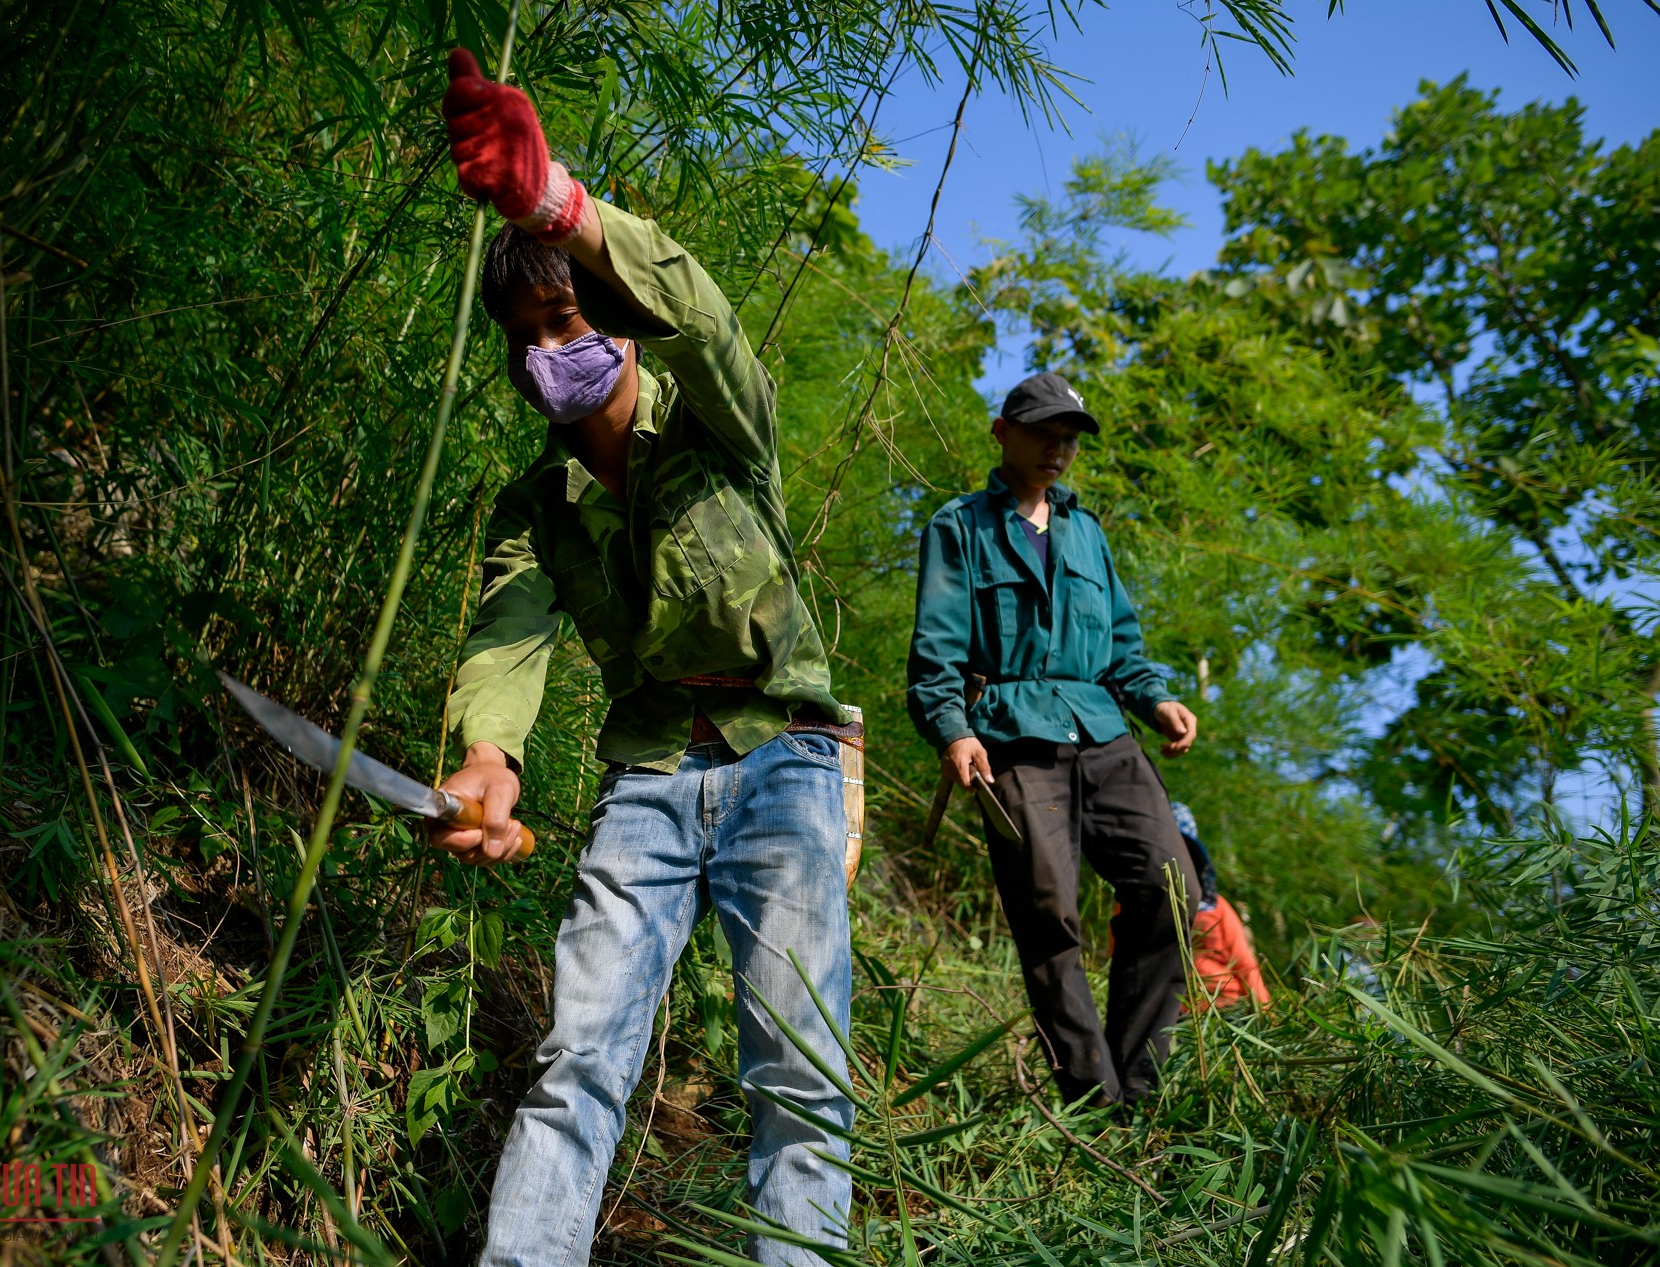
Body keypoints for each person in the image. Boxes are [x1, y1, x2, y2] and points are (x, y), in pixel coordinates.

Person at [428, 48, 859, 1267]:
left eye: (560, 322)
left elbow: (712, 323)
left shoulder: (721, 425)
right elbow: (509, 637)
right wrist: (488, 756)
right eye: (520, 339)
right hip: (649, 777)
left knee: (798, 1070)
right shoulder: (538, 504)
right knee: (579, 1058)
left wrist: (555, 207)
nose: (540, 358)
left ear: (614, 322)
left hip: (788, 759)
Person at [905, 372, 1201, 1108]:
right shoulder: (960, 526)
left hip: (1103, 729)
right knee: (1049, 914)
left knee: (1173, 887)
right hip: (1012, 737)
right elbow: (935, 649)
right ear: (1003, 432)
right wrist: (952, 729)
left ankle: (1139, 1088)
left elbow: (1122, 640)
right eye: (1044, 433)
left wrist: (1156, 696)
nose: (1058, 450)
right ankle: (1093, 1103)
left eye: (1068, 438)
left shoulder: (1086, 531)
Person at [1170, 802, 1271, 1011]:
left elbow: (1244, 963)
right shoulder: (1136, 905)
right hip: (1170, 1011)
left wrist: (1265, 1013)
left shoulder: (1215, 907)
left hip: (1223, 1006)